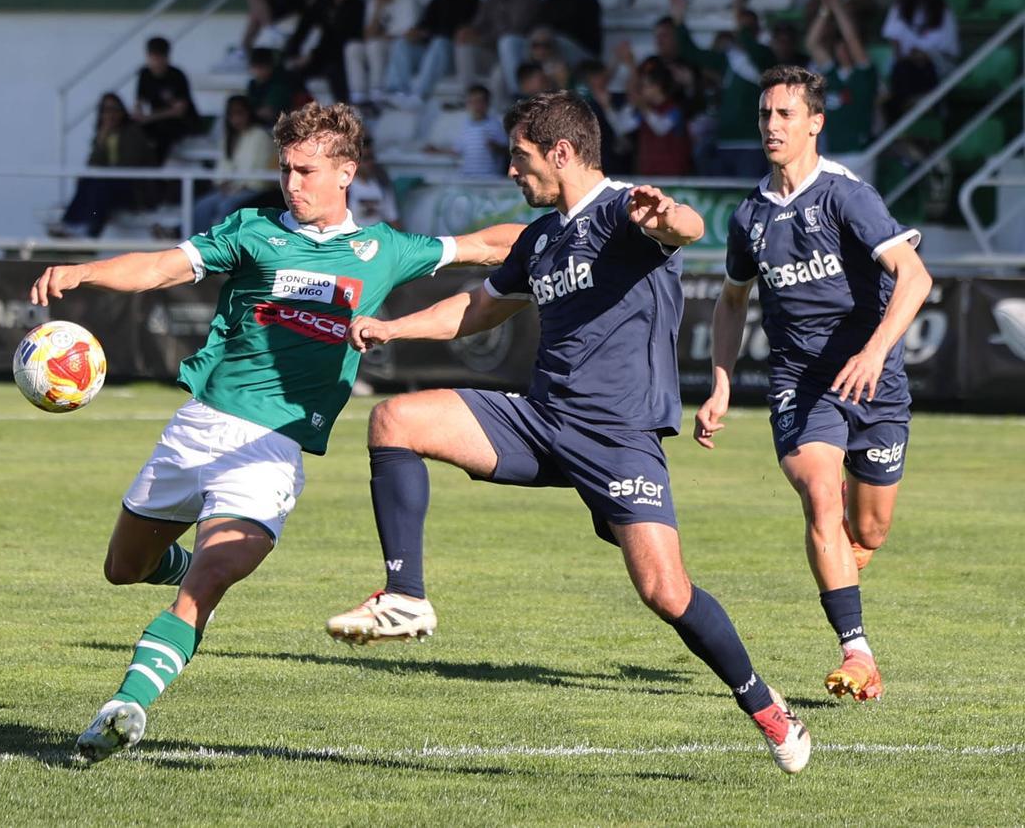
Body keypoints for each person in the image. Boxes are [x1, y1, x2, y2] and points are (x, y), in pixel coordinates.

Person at [325, 91, 812, 775]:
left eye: (520, 157)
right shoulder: (541, 236)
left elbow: (689, 227)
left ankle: (764, 703)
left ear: (560, 151)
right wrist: (395, 327)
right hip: (538, 418)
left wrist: (669, 216)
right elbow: (479, 307)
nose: (511, 171)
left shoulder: (623, 211)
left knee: (665, 591)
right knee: (395, 419)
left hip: (618, 436)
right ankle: (405, 596)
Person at [28, 102, 523, 764]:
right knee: (125, 568)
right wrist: (84, 270)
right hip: (198, 430)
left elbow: (491, 245)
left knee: (207, 580)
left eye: (306, 169)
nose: (292, 182)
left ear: (346, 172)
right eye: (285, 168)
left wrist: (584, 227)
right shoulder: (251, 231)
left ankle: (126, 706)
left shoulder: (385, 250)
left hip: (271, 451)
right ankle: (173, 564)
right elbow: (159, 268)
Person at [694, 66, 932, 703]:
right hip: (801, 386)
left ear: (815, 123)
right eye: (765, 115)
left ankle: (845, 564)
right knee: (821, 498)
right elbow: (730, 303)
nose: (772, 126)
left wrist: (875, 353)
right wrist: (720, 385)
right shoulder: (749, 216)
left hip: (874, 383)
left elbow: (915, 279)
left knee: (870, 531)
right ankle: (858, 653)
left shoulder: (847, 197)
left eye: (786, 115)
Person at [671, 0, 775, 178]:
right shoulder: (728, 59)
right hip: (725, 143)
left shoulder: (766, 56)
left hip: (752, 146)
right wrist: (679, 21)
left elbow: (754, 51)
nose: (743, 31)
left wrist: (739, 21)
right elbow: (692, 53)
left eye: (748, 28)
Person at [51, 93, 156, 239]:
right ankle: (71, 223)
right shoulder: (103, 134)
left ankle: (89, 228)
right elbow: (93, 164)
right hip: (110, 184)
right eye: (105, 110)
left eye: (114, 109)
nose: (110, 114)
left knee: (100, 183)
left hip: (132, 188)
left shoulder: (132, 132)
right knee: (88, 180)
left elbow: (129, 164)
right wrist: (101, 138)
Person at [382, 0, 480, 109]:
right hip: (432, 53)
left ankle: (419, 96)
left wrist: (428, 34)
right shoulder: (435, 1)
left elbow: (470, 30)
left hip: (455, 55)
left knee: (440, 42)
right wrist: (415, 33)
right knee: (402, 44)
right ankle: (396, 92)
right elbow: (424, 27)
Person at [807, 0, 879, 159]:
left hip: (859, 153)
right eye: (840, 44)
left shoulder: (864, 73)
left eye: (846, 45)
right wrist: (825, 11)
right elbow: (811, 43)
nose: (844, 48)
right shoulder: (831, 73)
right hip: (832, 154)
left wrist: (837, 7)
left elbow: (852, 38)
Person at [191, 96, 277, 234]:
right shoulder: (229, 138)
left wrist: (236, 186)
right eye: (232, 115)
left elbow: (256, 171)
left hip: (254, 189)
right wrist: (222, 183)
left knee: (226, 206)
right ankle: (200, 246)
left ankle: (221, 248)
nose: (236, 119)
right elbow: (223, 167)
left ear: (248, 113)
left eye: (240, 113)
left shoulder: (260, 135)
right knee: (202, 206)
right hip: (231, 188)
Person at [880, 0, 958, 123]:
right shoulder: (899, 7)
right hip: (904, 66)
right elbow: (893, 37)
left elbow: (949, 50)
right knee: (902, 69)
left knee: (921, 68)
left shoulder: (943, 10)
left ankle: (930, 108)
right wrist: (905, 56)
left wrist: (924, 56)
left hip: (932, 66)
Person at [283, 0, 366, 106]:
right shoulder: (322, 1)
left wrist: (312, 55)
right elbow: (303, 28)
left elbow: (343, 38)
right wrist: (292, 54)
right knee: (291, 71)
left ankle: (345, 111)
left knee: (334, 71)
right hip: (322, 53)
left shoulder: (357, 5)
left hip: (343, 55)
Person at [453, 0, 540, 98]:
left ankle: (517, 94)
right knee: (464, 46)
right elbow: (478, 24)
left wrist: (482, 39)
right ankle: (470, 96)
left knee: (499, 70)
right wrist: (467, 32)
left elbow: (516, 29)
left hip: (519, 52)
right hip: (493, 51)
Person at [344, 0, 420, 107]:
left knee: (375, 46)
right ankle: (358, 93)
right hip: (378, 43)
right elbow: (367, 35)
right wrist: (378, 10)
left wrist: (383, 36)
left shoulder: (406, 0)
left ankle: (377, 91)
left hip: (399, 47)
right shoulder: (373, 2)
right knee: (352, 47)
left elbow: (409, 33)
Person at [133, 36, 200, 164]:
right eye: (153, 57)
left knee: (163, 133)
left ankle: (158, 170)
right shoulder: (145, 75)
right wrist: (138, 115)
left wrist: (149, 117)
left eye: (160, 57)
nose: (157, 62)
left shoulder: (176, 76)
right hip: (156, 121)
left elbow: (179, 111)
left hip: (180, 122)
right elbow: (139, 101)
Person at [424, 84, 508, 177]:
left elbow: (507, 151)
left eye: (479, 101)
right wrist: (437, 150)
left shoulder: (495, 125)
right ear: (467, 104)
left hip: (489, 177)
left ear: (487, 104)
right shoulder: (466, 126)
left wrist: (496, 147)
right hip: (467, 176)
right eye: (472, 102)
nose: (476, 106)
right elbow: (457, 150)